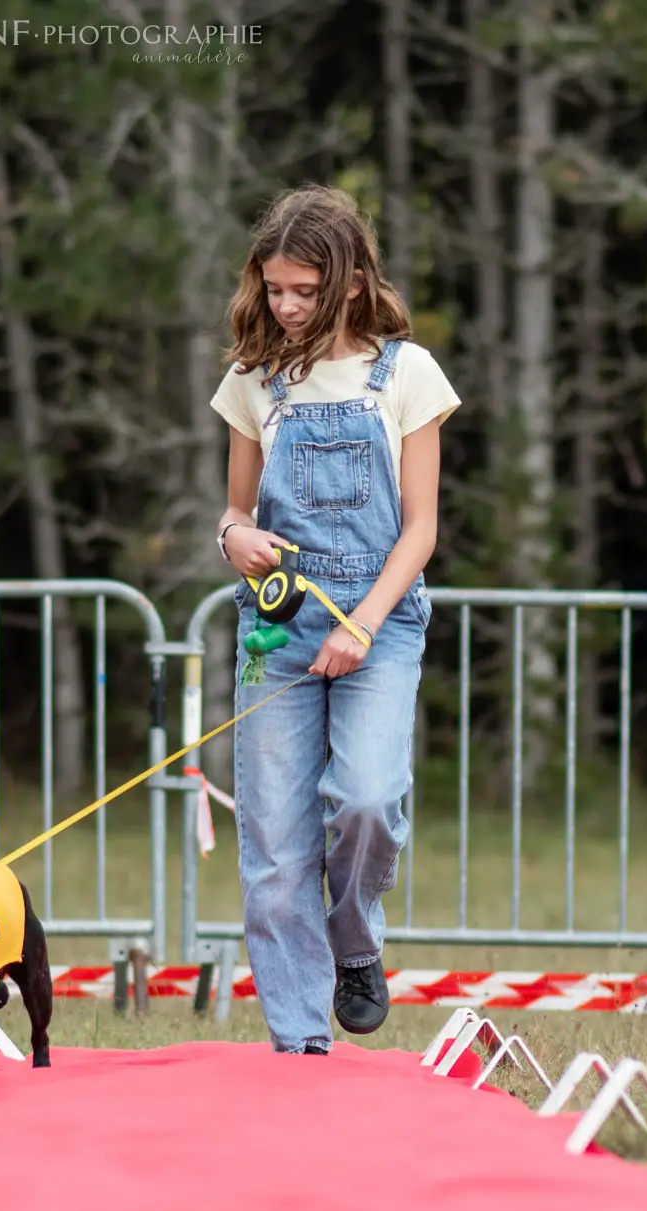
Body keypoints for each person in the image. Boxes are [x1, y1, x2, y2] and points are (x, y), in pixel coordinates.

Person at [208, 185, 459, 1055]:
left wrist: (360, 626)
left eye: (304, 290)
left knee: (365, 800)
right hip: (277, 632)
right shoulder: (253, 379)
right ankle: (301, 1047)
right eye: (275, 288)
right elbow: (236, 512)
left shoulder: (407, 373)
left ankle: (355, 944)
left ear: (350, 282)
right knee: (276, 849)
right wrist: (232, 538)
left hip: (378, 625)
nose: (285, 305)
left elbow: (420, 528)